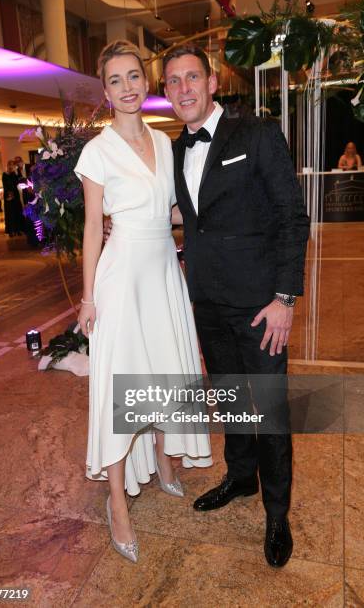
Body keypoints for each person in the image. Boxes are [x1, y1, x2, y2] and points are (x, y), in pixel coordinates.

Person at [162, 44, 310, 567]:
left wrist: (285, 297)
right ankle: (241, 477)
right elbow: (195, 216)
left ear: (212, 82)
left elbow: (292, 217)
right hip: (207, 303)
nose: (183, 88)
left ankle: (276, 513)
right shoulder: (174, 151)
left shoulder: (257, 133)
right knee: (229, 400)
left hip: (260, 305)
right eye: (173, 81)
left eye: (191, 77)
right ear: (166, 92)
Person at [75, 40, 212, 564]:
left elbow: (175, 213)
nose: (128, 87)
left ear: (145, 82)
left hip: (162, 272)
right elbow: (92, 227)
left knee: (168, 371)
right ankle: (117, 503)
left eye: (134, 76)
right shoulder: (97, 150)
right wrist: (88, 297)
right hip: (120, 276)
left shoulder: (165, 141)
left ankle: (164, 459)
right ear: (105, 91)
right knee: (121, 384)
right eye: (116, 80)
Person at [2, 160, 25, 237]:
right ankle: (11, 231)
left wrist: (18, 170)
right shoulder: (4, 175)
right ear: (8, 165)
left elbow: (18, 181)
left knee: (17, 212)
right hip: (8, 195)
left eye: (12, 165)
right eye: (10, 165)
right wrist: (9, 195)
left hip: (15, 195)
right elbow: (6, 185)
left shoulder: (14, 174)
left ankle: (18, 230)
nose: (11, 166)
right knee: (10, 213)